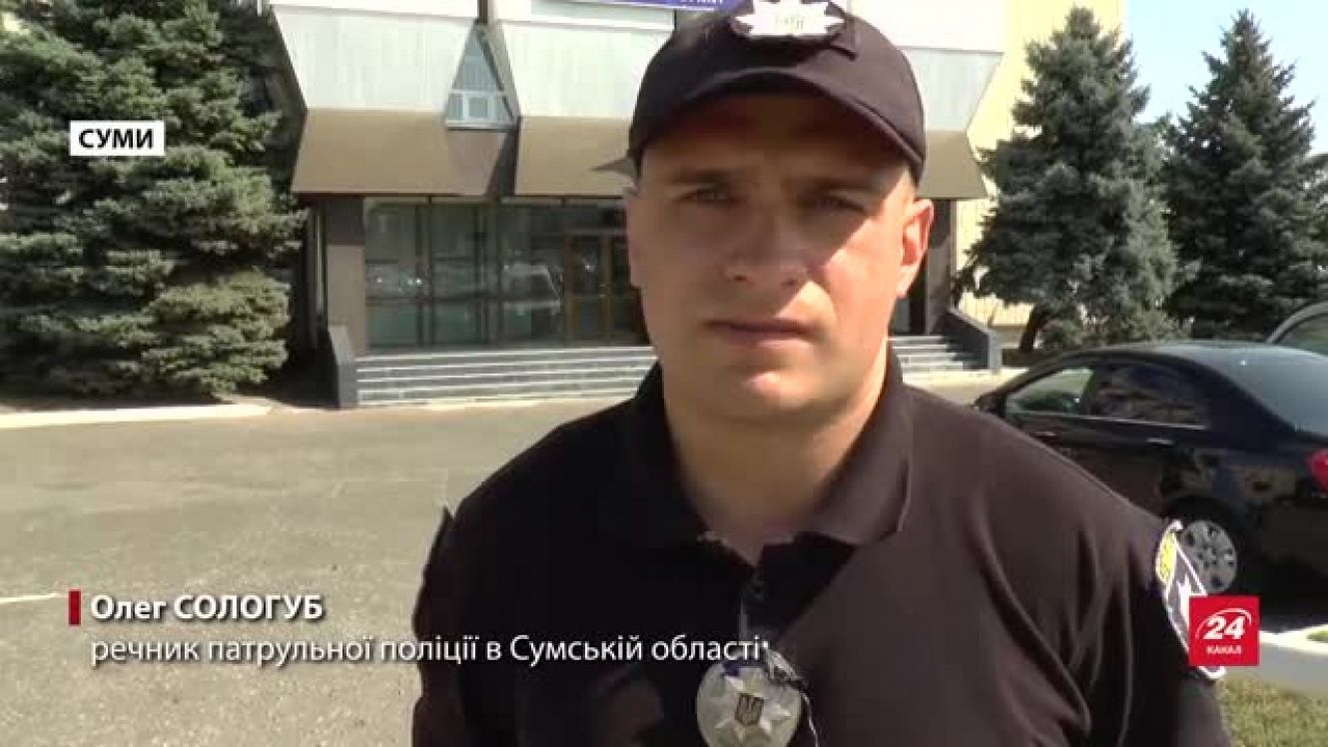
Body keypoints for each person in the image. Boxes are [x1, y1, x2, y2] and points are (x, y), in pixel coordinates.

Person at [411, 2, 1231, 744]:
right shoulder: (503, 549)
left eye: (831, 201)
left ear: (910, 247)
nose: (767, 261)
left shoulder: (1090, 563)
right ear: (635, 238)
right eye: (710, 194)